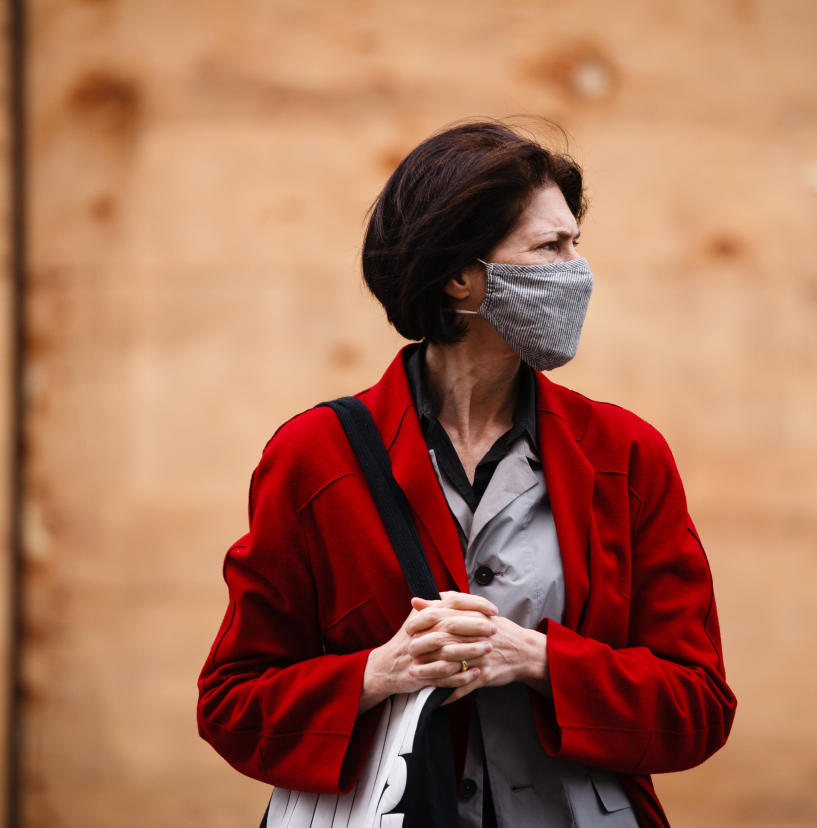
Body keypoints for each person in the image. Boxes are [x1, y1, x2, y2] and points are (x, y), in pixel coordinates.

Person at [198, 120, 736, 827]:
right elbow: (233, 704)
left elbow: (698, 706)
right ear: (460, 275)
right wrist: (379, 672)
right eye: (551, 247)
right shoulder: (314, 455)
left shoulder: (627, 455)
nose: (578, 270)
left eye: (577, 243)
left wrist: (539, 660)